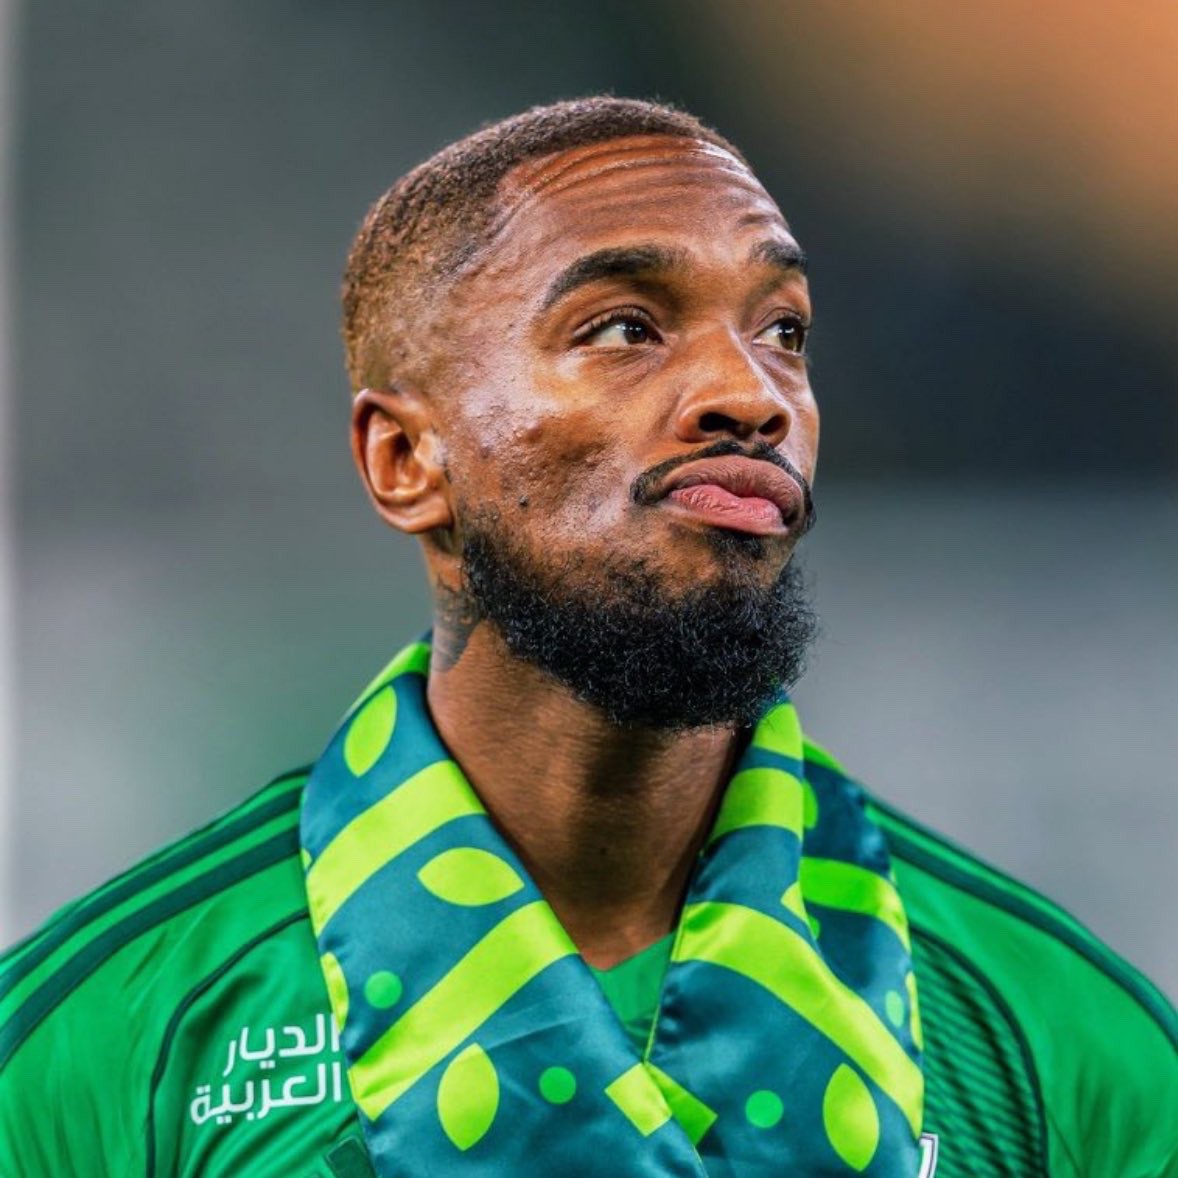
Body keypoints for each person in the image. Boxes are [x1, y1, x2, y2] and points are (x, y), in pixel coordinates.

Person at [0, 96, 1173, 1178]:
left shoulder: (1062, 1044)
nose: (751, 392)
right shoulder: (98, 1046)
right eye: (623, 328)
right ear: (404, 459)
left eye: (782, 329)